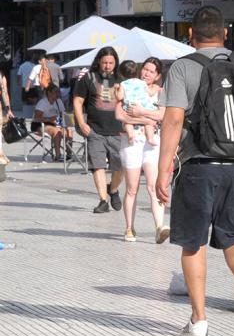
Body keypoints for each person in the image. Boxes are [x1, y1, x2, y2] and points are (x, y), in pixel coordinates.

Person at [155, 5, 234, 336]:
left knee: (193, 243)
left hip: (198, 167)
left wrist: (163, 169)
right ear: (226, 33)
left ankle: (199, 319)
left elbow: (173, 120)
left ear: (190, 35)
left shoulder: (182, 67)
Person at [115, 57, 168, 244]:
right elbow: (119, 114)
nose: (146, 73)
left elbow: (162, 115)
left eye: (151, 71)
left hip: (152, 142)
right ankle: (129, 227)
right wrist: (147, 120)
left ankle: (160, 227)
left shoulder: (161, 93)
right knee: (132, 188)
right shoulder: (128, 87)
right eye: (144, 69)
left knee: (155, 186)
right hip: (132, 141)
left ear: (158, 76)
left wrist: (140, 114)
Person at [72, 46, 124, 214]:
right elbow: (78, 101)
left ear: (116, 62)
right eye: (104, 62)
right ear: (98, 62)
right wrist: (81, 123)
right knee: (98, 165)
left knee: (121, 166)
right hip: (95, 130)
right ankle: (103, 200)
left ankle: (113, 189)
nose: (108, 66)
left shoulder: (121, 77)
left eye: (111, 62)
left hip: (118, 130)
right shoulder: (88, 77)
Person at [115, 60, 159, 147]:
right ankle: (150, 138)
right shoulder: (142, 82)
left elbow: (119, 97)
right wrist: (156, 88)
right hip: (145, 106)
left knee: (127, 123)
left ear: (122, 75)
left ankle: (130, 135)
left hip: (130, 107)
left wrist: (116, 90)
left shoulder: (123, 84)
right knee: (149, 124)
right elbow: (150, 93)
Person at [33, 84, 69, 161]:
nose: (58, 94)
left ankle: (69, 154)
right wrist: (49, 119)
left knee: (69, 132)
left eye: (58, 92)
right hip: (40, 125)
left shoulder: (59, 102)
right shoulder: (43, 102)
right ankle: (58, 156)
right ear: (49, 93)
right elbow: (36, 117)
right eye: (56, 92)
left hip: (56, 123)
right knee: (56, 131)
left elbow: (63, 114)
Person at [1, 63, 14, 165]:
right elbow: (4, 92)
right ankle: (1, 154)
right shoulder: (1, 75)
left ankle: (1, 154)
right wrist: (8, 109)